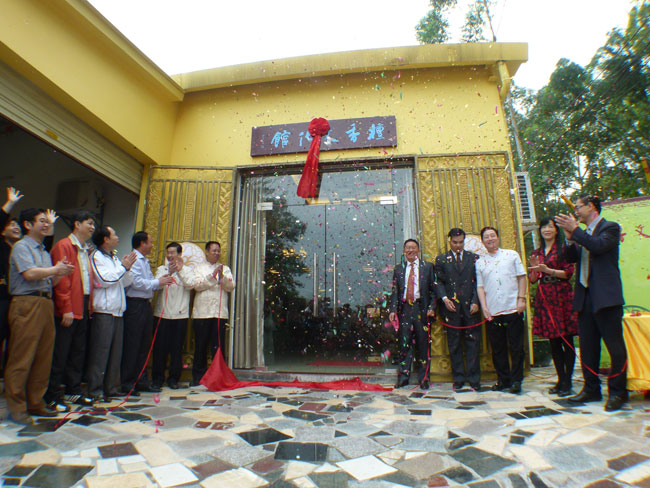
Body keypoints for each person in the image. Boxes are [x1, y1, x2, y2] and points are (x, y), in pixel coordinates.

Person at [555, 195, 628, 412]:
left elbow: (598, 246)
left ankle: (618, 392)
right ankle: (591, 388)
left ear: (591, 207)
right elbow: (570, 258)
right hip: (585, 297)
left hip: (606, 298)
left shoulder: (610, 228)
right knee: (587, 347)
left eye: (578, 207)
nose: (576, 211)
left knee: (614, 347)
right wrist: (570, 238)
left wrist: (576, 231)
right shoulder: (582, 234)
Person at [5, 208, 74, 424]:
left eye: (48, 222)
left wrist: (60, 272)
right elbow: (29, 274)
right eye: (42, 221)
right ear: (28, 224)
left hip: (45, 302)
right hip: (26, 303)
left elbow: (48, 281)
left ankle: (36, 403)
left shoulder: (44, 251)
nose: (46, 225)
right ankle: (17, 408)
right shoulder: (22, 246)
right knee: (22, 357)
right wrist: (55, 270)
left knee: (43, 357)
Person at [45, 210, 97, 411]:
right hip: (68, 306)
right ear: (77, 224)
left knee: (77, 351)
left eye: (93, 224)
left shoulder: (84, 249)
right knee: (61, 352)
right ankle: (52, 394)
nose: (92, 227)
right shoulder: (64, 245)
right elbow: (62, 281)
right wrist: (65, 307)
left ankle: (73, 390)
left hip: (82, 303)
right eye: (89, 223)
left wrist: (89, 305)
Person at [528, 217, 578, 397]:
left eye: (550, 227)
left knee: (567, 340)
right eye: (544, 227)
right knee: (554, 341)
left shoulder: (564, 249)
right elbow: (533, 280)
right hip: (545, 296)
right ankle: (560, 379)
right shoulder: (537, 252)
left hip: (562, 295)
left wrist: (548, 270)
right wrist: (535, 269)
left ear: (556, 230)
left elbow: (568, 273)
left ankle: (568, 381)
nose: (547, 230)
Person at [87, 226, 136, 401]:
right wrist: (123, 267)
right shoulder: (96, 257)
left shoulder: (114, 257)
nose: (117, 237)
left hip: (118, 311)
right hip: (104, 311)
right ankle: (95, 389)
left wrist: (127, 269)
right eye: (114, 234)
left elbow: (124, 282)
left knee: (115, 353)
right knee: (100, 352)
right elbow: (105, 279)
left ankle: (111, 387)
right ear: (105, 239)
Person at [476, 227, 527, 394]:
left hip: (513, 307)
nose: (490, 239)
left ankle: (516, 381)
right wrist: (484, 307)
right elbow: (480, 287)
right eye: (486, 237)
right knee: (498, 348)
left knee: (516, 347)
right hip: (493, 310)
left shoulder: (511, 255)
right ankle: (503, 380)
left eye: (492, 236)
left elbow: (522, 277)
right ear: (482, 241)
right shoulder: (480, 262)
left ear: (498, 237)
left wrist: (521, 299)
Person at [121, 232, 174, 394]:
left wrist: (162, 280)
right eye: (150, 242)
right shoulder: (134, 259)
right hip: (135, 305)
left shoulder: (144, 260)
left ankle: (142, 380)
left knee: (144, 344)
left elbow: (150, 282)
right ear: (142, 243)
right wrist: (157, 282)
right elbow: (136, 283)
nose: (152, 245)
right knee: (133, 344)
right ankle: (128, 382)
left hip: (145, 305)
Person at [178, 241, 235, 386]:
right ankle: (198, 377)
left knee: (218, 347)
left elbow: (231, 286)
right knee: (200, 346)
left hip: (219, 314)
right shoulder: (198, 268)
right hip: (202, 313)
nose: (216, 253)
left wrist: (221, 277)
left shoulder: (225, 269)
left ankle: (219, 377)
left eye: (218, 251)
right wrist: (212, 276)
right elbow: (197, 286)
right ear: (207, 252)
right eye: (214, 250)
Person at [435, 228, 482, 391]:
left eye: (461, 242)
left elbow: (479, 282)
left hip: (471, 307)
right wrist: (444, 299)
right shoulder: (441, 259)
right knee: (454, 344)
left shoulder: (474, 258)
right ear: (450, 241)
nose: (458, 246)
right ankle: (459, 378)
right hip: (451, 308)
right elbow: (438, 282)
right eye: (455, 242)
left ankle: (474, 379)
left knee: (473, 343)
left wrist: (476, 301)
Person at [389, 239, 436, 390]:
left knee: (423, 345)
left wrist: (432, 307)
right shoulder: (398, 269)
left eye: (413, 248)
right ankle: (403, 377)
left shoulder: (427, 267)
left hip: (421, 308)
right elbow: (395, 291)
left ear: (418, 250)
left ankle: (424, 378)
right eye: (408, 248)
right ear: (404, 251)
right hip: (404, 310)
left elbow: (433, 290)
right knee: (404, 345)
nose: (410, 250)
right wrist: (393, 310)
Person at [152, 242, 191, 390]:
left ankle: (174, 379)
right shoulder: (161, 269)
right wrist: (169, 272)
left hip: (180, 316)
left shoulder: (187, 270)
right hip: (162, 315)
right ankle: (157, 379)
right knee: (160, 349)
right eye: (168, 253)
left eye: (173, 253)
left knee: (176, 350)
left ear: (179, 254)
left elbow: (191, 284)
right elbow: (157, 287)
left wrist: (180, 271)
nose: (169, 255)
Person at [0, 187, 24, 376]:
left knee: (15, 339)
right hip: (1, 298)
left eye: (18, 226)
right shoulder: (1, 246)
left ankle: (7, 376)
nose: (16, 228)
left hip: (16, 298)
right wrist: (9, 204)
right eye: (12, 225)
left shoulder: (20, 250)